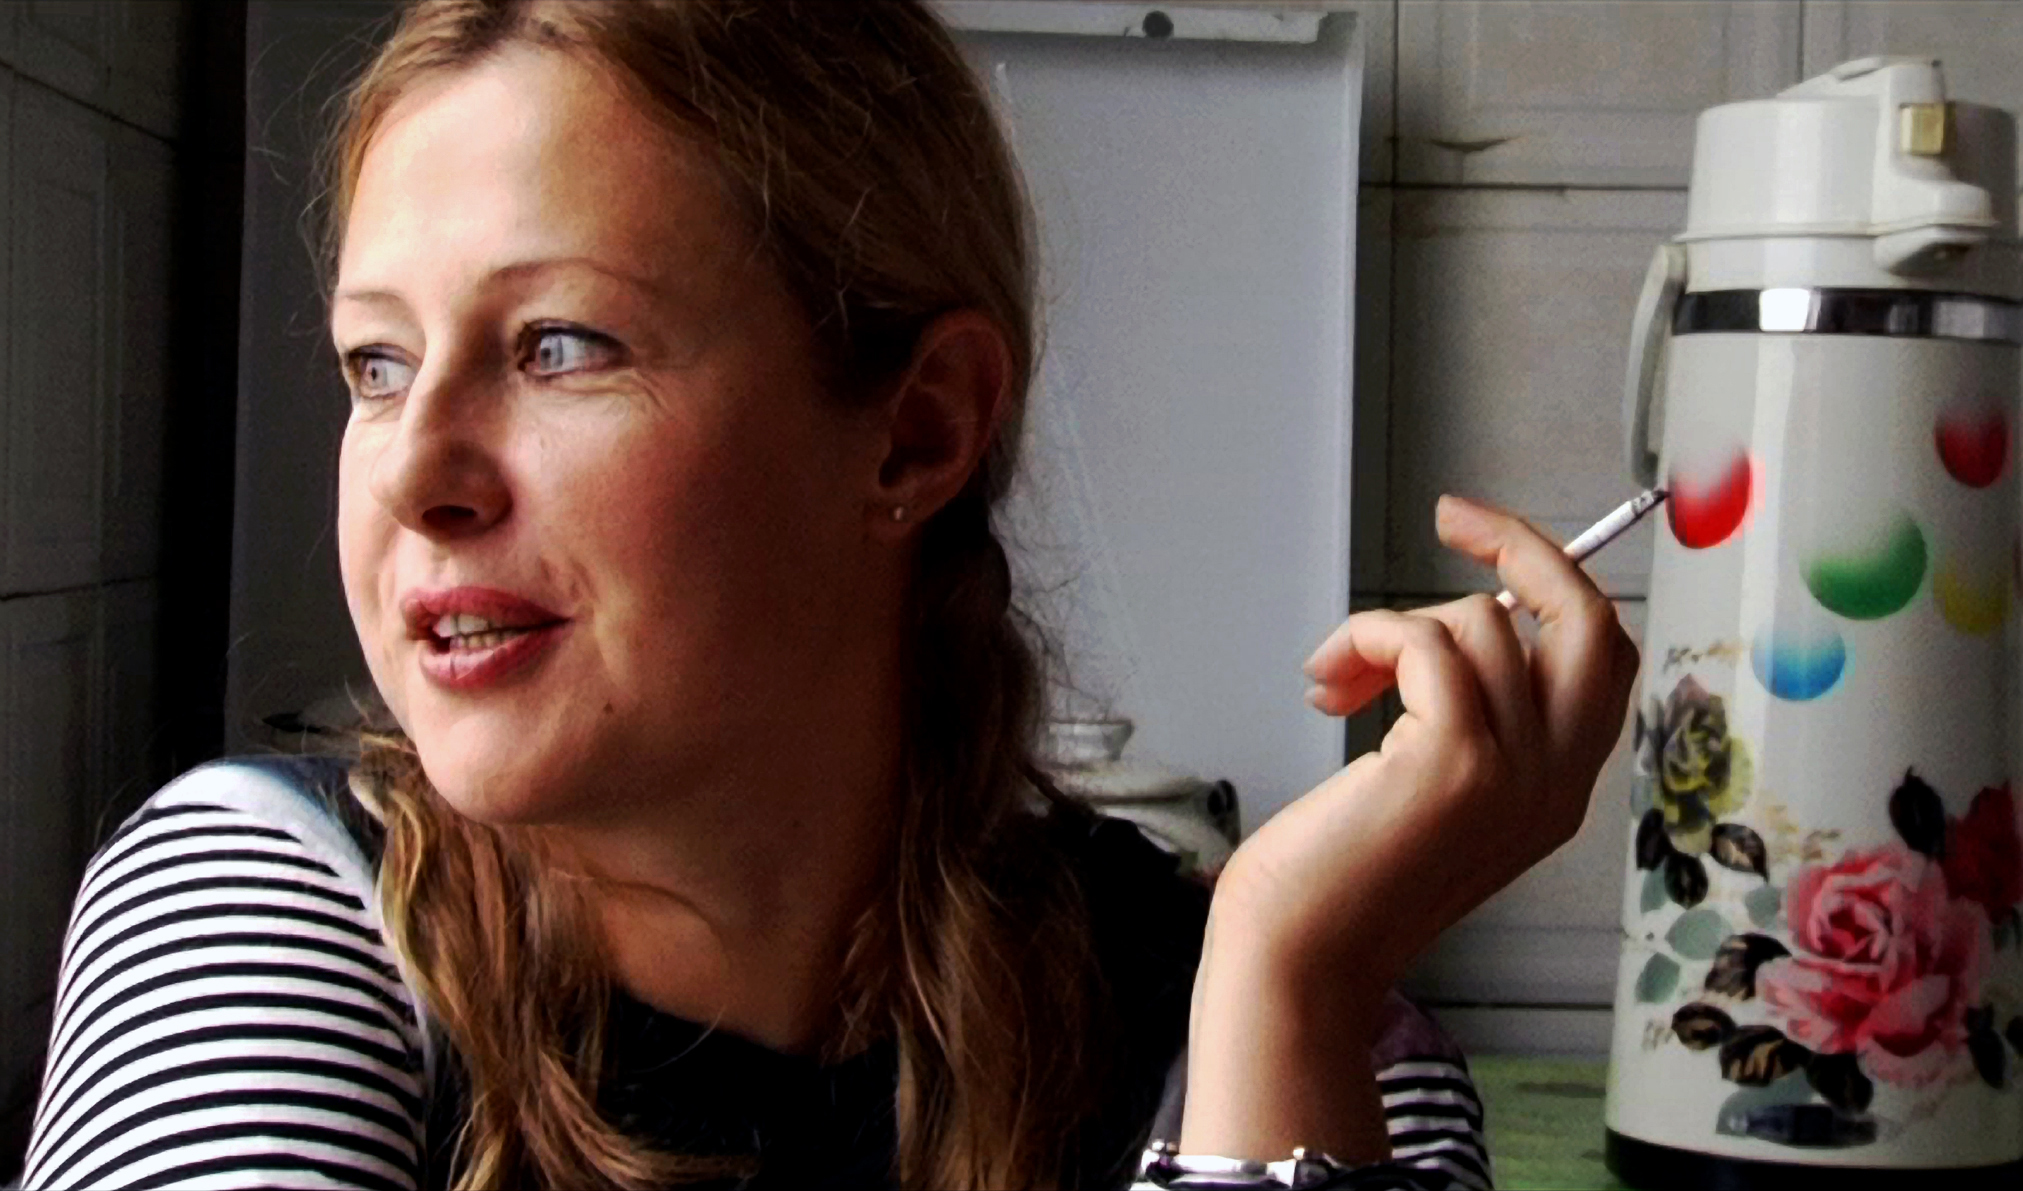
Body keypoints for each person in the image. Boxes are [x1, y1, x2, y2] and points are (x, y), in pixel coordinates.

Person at [16, 2, 1639, 1188]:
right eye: (377, 364)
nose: (413, 473)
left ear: (916, 431)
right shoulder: (266, 909)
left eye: (559, 345)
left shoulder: (1292, 1007)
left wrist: (1288, 982)